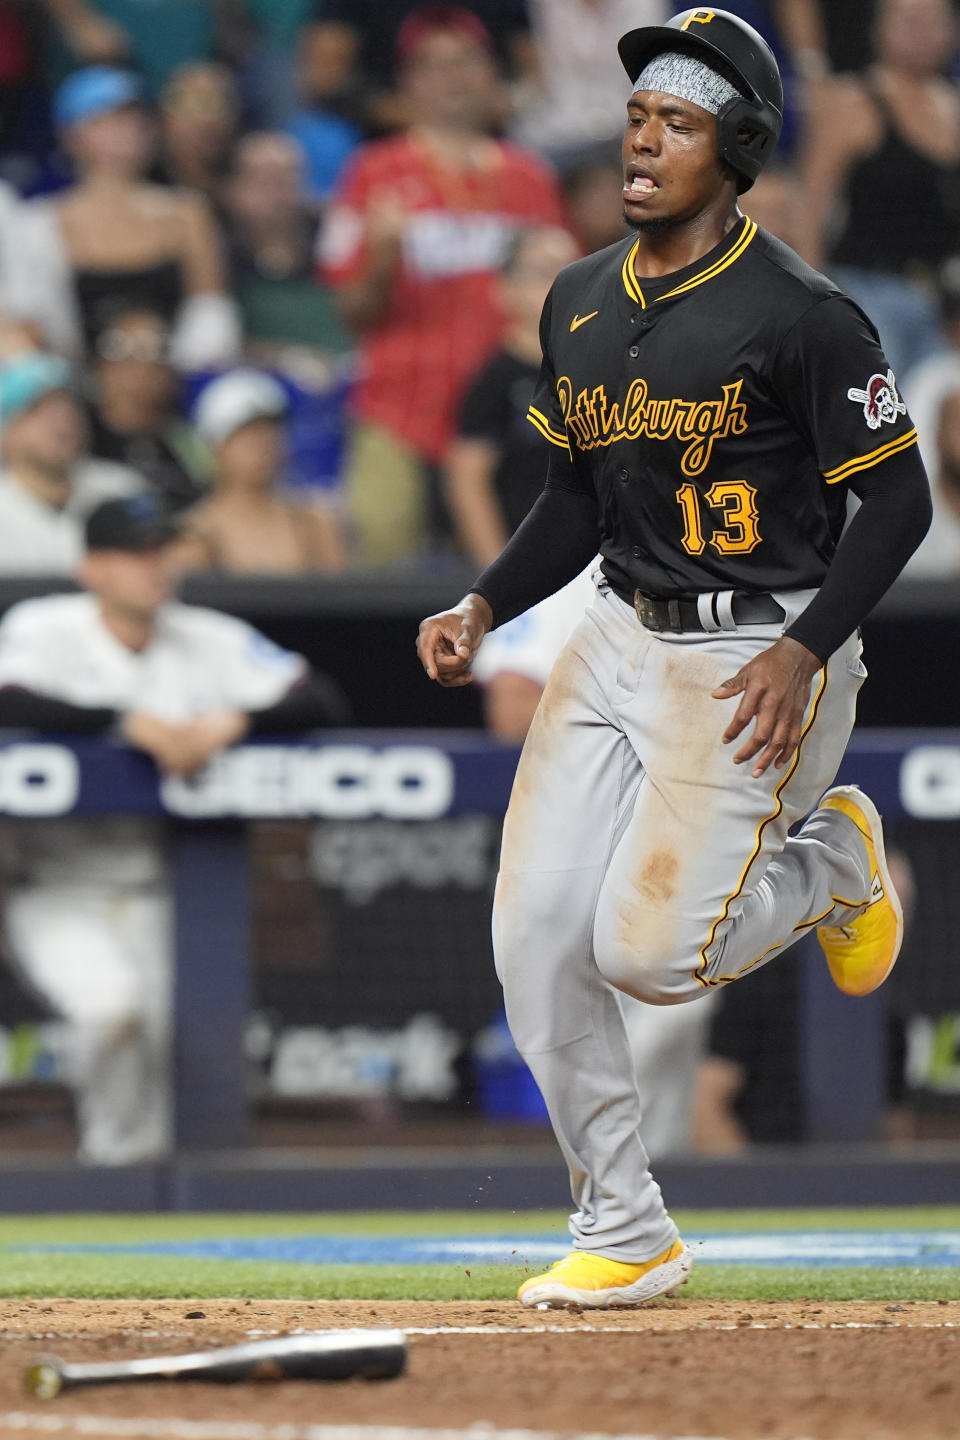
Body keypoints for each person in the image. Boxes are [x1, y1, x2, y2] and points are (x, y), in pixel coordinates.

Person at [417, 8, 931, 1308]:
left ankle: (830, 864)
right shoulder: (578, 296)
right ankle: (627, 1228)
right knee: (534, 937)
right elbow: (577, 502)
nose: (644, 140)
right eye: (640, 115)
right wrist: (487, 602)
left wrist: (811, 650)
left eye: (681, 121)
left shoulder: (806, 314)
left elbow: (902, 504)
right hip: (617, 629)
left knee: (645, 954)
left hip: (762, 646)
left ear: (742, 147)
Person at [0, 493, 346, 1165]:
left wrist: (233, 721)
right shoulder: (45, 628)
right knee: (112, 1013)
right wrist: (124, 721)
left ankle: (153, 1208)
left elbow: (320, 697)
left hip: (173, 888)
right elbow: (8, 696)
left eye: (161, 549)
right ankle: (114, 1175)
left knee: (183, 1048)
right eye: (135, 553)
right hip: (59, 885)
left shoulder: (207, 637)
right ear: (93, 567)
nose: (154, 565)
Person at [320, 4, 567, 566]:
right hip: (399, 411)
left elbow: (565, 303)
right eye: (432, 65)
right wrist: (382, 257)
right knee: (384, 577)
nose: (451, 78)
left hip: (511, 419)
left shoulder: (532, 178)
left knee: (517, 583)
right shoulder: (369, 172)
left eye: (464, 62)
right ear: (408, 82)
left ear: (489, 72)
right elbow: (349, 311)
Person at [0, 66, 240, 370]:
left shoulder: (189, 212)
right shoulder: (38, 223)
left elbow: (211, 315)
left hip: (179, 374)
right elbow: (34, 323)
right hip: (80, 382)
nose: (126, 129)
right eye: (106, 120)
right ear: (72, 135)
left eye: (133, 117)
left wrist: (166, 373)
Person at [796, 0, 960, 376]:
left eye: (934, 21)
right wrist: (819, 306)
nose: (921, 32)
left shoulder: (953, 109)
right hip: (866, 289)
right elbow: (808, 211)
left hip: (941, 299)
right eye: (908, 20)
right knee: (877, 406)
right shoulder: (854, 103)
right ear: (880, 27)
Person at [179, 368, 345, 574]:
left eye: (270, 430)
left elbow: (337, 600)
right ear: (215, 447)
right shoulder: (195, 534)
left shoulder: (314, 523)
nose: (263, 442)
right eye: (246, 433)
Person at [0, 349, 145, 574]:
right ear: (6, 431)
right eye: (38, 409)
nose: (62, 418)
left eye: (69, 405)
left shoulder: (123, 489)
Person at [88, 303, 214, 513]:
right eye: (121, 349)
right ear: (99, 367)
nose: (141, 365)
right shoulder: (79, 434)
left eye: (156, 350)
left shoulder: (189, 441)